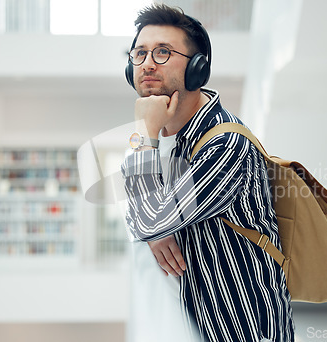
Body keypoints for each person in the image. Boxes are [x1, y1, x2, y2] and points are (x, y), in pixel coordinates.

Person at [121, 4, 294, 342]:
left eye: (162, 52)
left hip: (244, 331)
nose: (147, 65)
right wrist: (154, 228)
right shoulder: (170, 139)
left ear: (198, 69)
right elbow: (135, 209)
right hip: (199, 324)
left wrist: (153, 225)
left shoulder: (226, 145)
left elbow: (148, 219)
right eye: (139, 54)